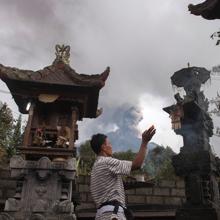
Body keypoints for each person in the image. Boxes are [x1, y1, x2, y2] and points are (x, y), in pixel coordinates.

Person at [90, 125, 156, 220]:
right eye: (109, 143)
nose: (111, 146)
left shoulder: (96, 165)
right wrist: (144, 142)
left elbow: (110, 189)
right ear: (103, 147)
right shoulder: (106, 162)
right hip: (112, 215)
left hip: (103, 214)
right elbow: (136, 165)